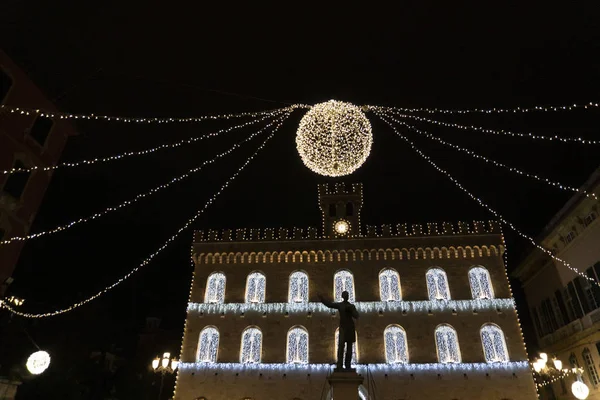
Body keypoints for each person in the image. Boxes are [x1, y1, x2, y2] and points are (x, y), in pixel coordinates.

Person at [318, 291, 359, 370]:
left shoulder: (351, 306)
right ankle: (340, 364)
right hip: (343, 328)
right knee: (341, 346)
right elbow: (330, 305)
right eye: (345, 295)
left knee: (349, 347)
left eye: (347, 295)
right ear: (343, 296)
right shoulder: (340, 305)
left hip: (350, 327)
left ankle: (348, 365)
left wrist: (352, 310)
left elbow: (357, 315)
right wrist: (322, 299)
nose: (346, 296)